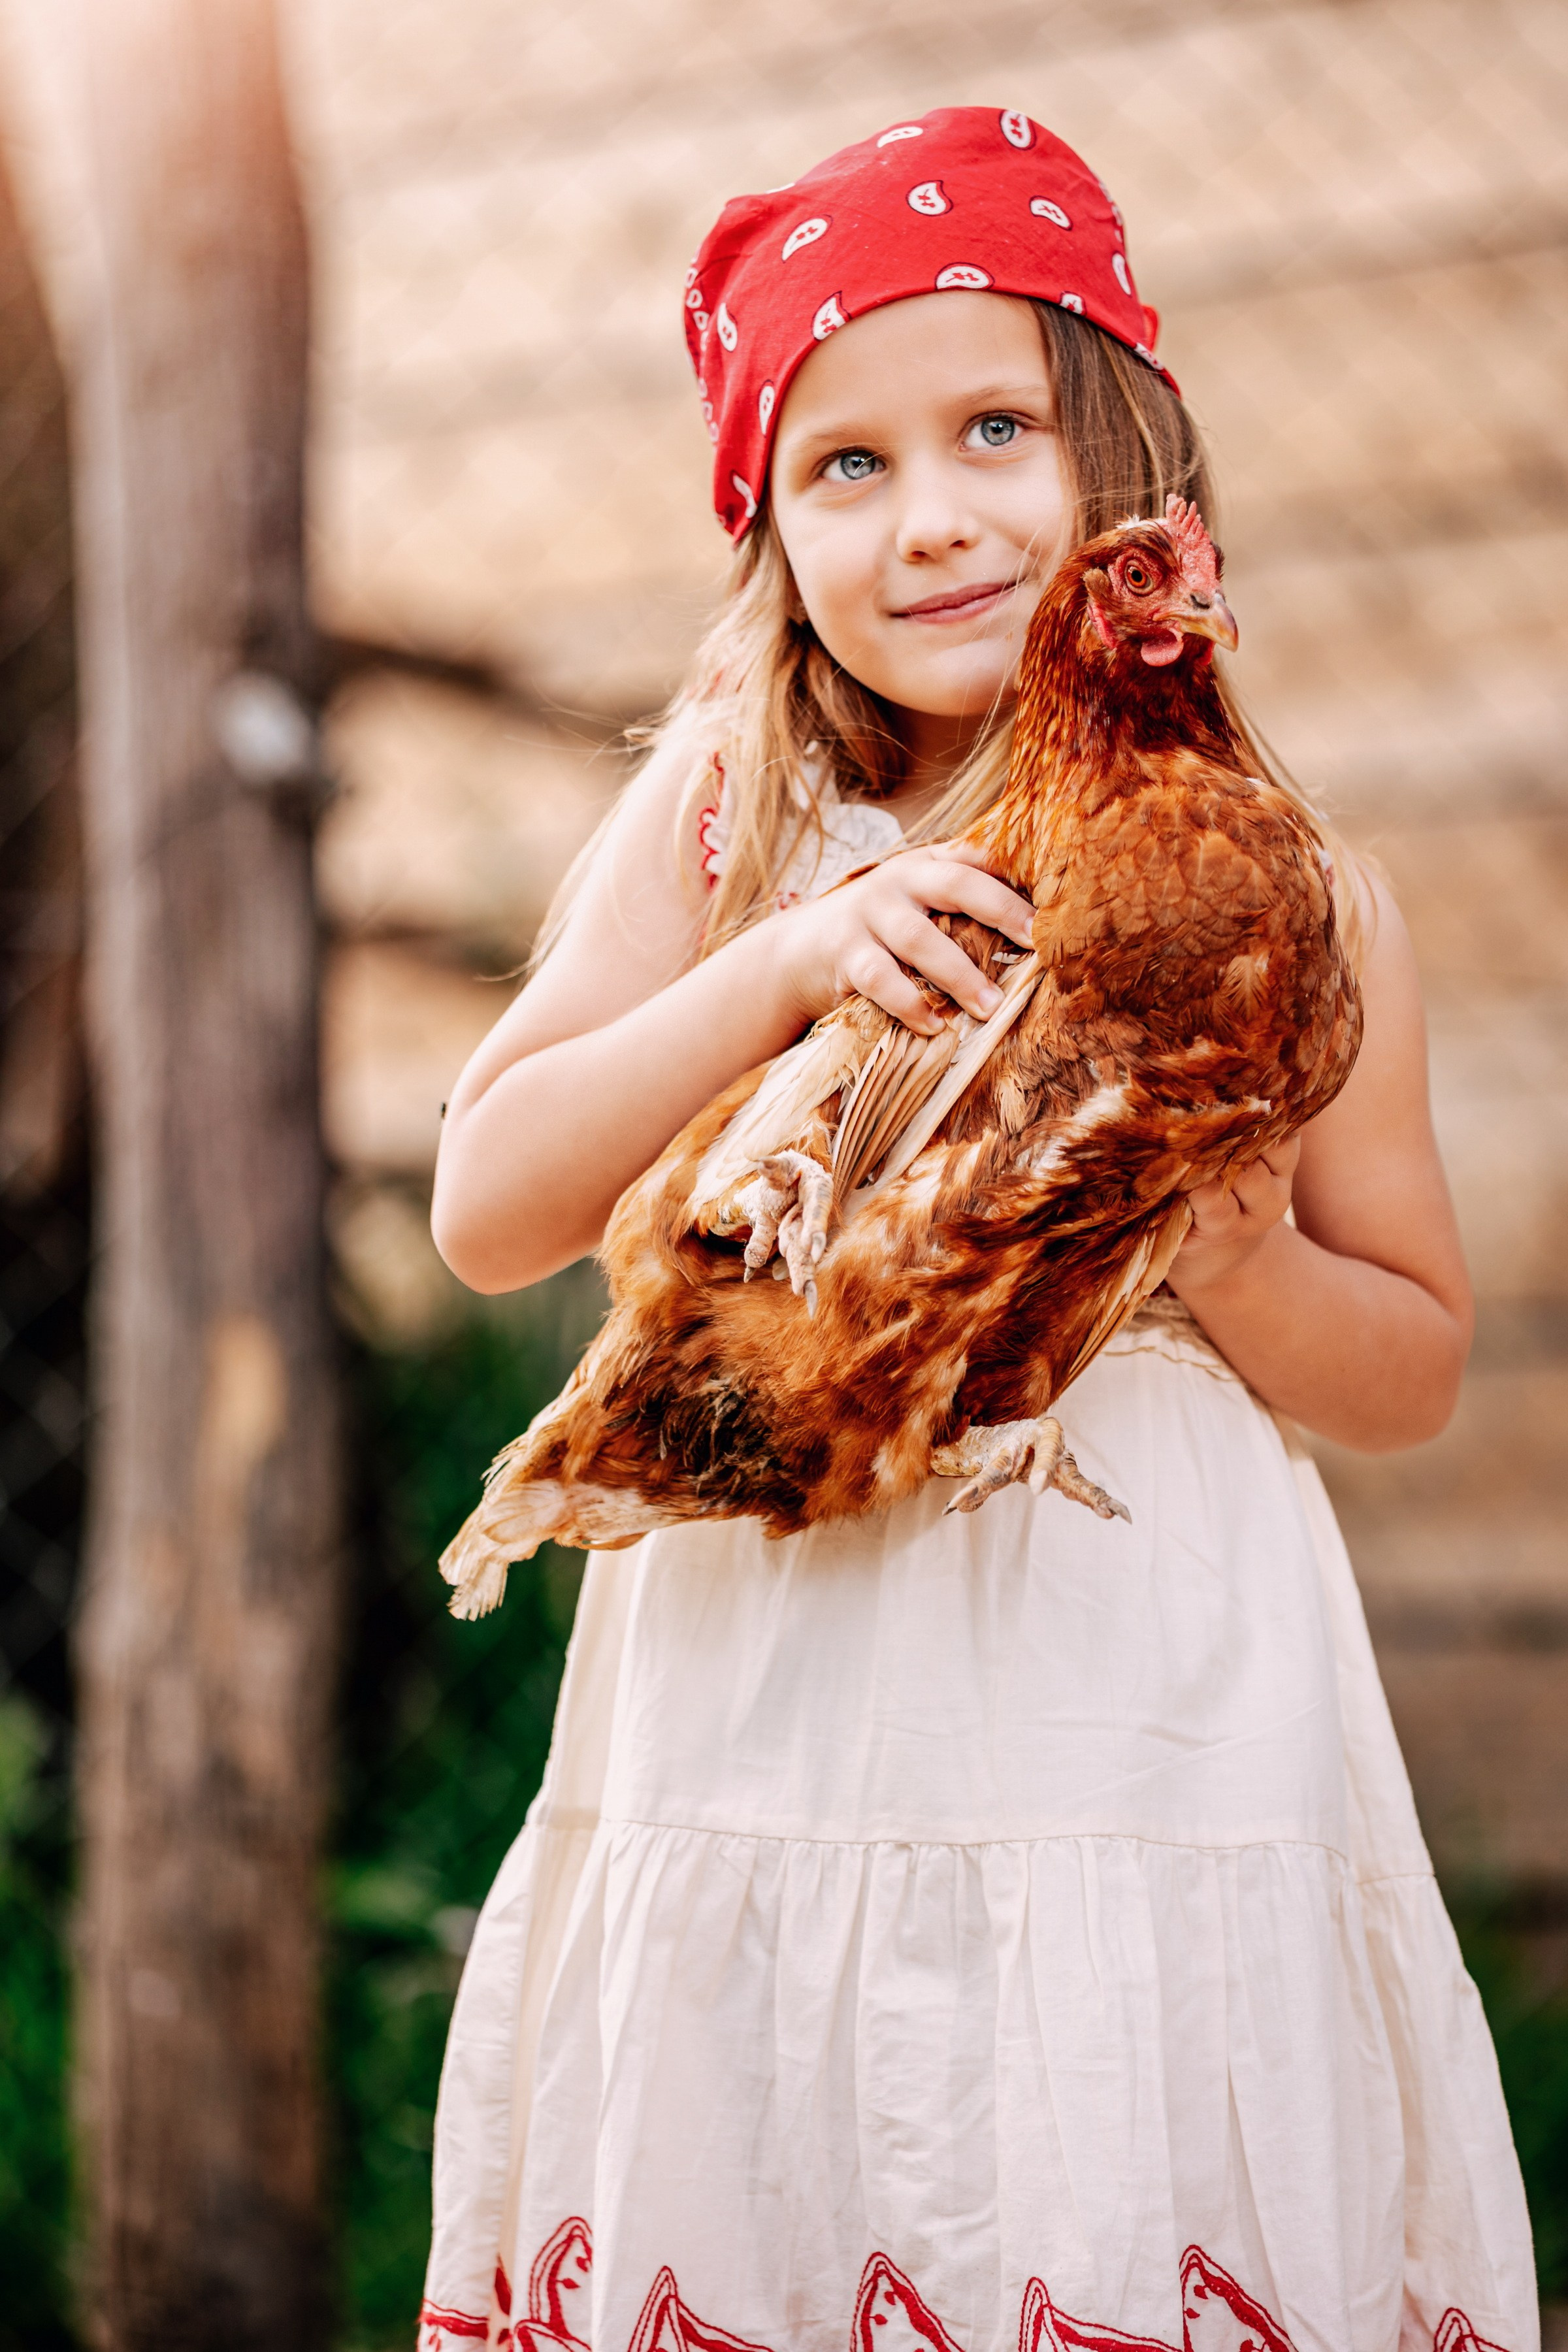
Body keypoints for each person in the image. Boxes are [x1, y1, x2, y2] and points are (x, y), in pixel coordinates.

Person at [417, 108, 1537, 2352]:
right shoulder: (739, 810)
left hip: (1145, 1715)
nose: (930, 517)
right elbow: (484, 1203)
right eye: (843, 464)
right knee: (791, 2172)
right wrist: (774, 971)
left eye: (994, 429)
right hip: (784, 1687)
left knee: (1107, 2174)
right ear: (768, 529)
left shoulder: (1295, 898)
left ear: (1129, 463)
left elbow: (1409, 1358)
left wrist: (1230, 1260)